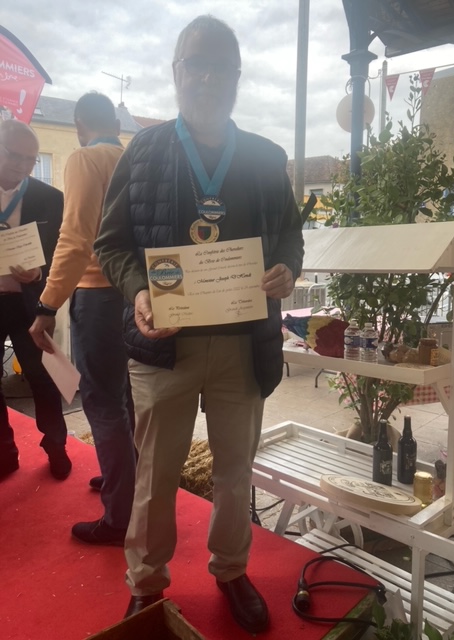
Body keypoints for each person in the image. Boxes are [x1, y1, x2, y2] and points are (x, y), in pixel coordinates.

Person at [94, 15, 304, 634]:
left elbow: (291, 238)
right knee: (155, 476)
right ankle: (146, 583)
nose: (207, 78)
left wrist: (287, 270)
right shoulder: (145, 150)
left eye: (220, 68)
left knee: (235, 473)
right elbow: (111, 244)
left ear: (236, 77)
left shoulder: (265, 157)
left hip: (245, 348)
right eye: (196, 65)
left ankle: (231, 570)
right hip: (164, 348)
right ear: (177, 72)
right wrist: (138, 291)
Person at [29, 93, 136, 546]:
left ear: (78, 125)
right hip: (136, 295)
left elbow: (75, 238)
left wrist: (47, 305)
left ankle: (119, 516)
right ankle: (123, 479)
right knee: (125, 394)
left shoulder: (84, 159)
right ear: (115, 123)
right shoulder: (133, 158)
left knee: (101, 400)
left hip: (97, 293)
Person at [0, 120, 71, 481]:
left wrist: (39, 273)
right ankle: (4, 452)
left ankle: (56, 446)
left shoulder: (50, 198)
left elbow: (60, 253)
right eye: (15, 156)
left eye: (31, 159)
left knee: (43, 378)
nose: (23, 166)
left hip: (30, 303)